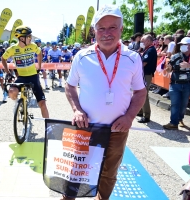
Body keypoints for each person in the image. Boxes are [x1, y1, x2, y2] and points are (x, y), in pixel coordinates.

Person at [64, 5, 146, 200]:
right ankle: (68, 198)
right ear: (94, 31)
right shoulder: (82, 57)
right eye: (102, 28)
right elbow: (70, 87)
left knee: (109, 172)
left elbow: (141, 92)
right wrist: (76, 110)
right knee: (77, 167)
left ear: (121, 29)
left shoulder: (132, 58)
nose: (107, 33)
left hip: (117, 129)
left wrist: (129, 117)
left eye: (112, 27)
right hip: (86, 126)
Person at [1, 25, 49, 118]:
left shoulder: (33, 46)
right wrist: (7, 72)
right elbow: (3, 59)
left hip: (33, 76)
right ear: (22, 38)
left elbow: (39, 53)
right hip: (21, 77)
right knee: (11, 91)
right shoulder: (12, 49)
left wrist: (39, 66)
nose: (31, 38)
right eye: (29, 36)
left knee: (42, 103)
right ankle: (18, 104)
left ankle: (49, 127)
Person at [163, 37, 190, 130]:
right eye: (181, 45)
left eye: (184, 44)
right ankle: (173, 123)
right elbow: (168, 70)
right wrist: (168, 68)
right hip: (175, 84)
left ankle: (180, 118)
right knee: (174, 103)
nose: (182, 46)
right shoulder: (175, 56)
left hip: (188, 84)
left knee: (184, 104)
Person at [137, 35, 157, 123]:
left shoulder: (151, 50)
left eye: (143, 41)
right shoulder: (147, 49)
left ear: (148, 41)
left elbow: (144, 63)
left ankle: (146, 116)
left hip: (146, 74)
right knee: (140, 93)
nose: (141, 43)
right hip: (144, 74)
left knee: (144, 94)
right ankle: (141, 111)